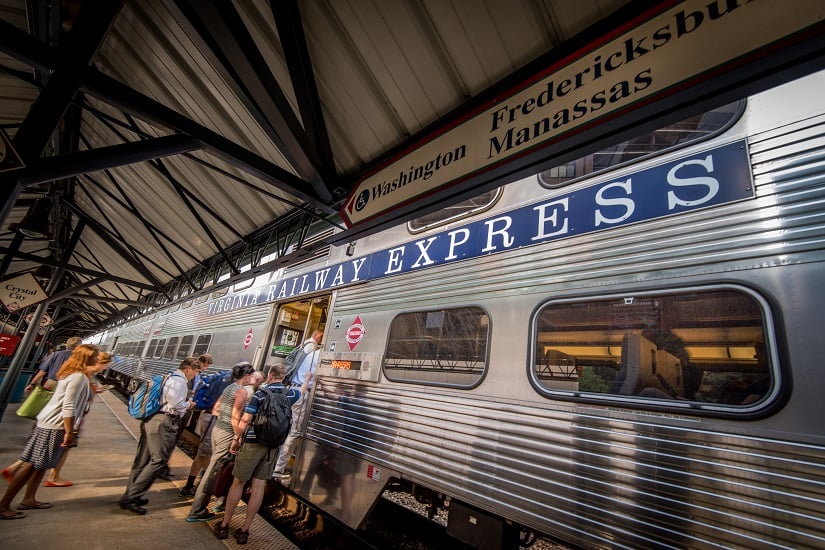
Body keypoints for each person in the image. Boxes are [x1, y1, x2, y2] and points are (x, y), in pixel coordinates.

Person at [0, 344, 101, 519]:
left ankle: (29, 499)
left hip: (51, 423)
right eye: (96, 356)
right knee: (32, 465)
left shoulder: (75, 374)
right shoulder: (77, 377)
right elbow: (68, 406)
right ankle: (3, 506)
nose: (98, 359)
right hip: (55, 425)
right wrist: (69, 431)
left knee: (41, 465)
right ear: (87, 358)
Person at [215, 364, 304, 543]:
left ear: (270, 376)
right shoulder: (290, 394)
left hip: (253, 443)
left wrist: (236, 438)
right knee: (258, 487)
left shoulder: (260, 394)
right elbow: (301, 390)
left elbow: (246, 419)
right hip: (273, 447)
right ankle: (244, 530)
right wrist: (307, 379)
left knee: (238, 482)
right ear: (283, 377)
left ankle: (224, 525)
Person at [118, 357, 198, 515]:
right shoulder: (179, 382)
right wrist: (189, 404)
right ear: (188, 368)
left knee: (142, 460)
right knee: (159, 460)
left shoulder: (169, 376)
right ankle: (131, 497)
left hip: (152, 420)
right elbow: (176, 405)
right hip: (164, 422)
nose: (195, 375)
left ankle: (132, 494)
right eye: (195, 371)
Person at [185, 361, 258, 523]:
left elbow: (217, 409)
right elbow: (235, 417)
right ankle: (197, 510)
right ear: (246, 376)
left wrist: (224, 420)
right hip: (227, 434)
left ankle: (204, 505)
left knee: (213, 468)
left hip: (217, 429)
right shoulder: (241, 392)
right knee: (212, 473)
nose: (252, 377)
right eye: (251, 375)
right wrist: (236, 437)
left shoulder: (229, 388)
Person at [43, 351, 114, 487]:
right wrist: (70, 430)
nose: (105, 368)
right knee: (51, 451)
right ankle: (52, 477)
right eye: (104, 364)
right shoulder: (80, 377)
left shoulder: (75, 374)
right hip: (64, 420)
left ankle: (47, 475)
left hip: (62, 419)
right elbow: (70, 403)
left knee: (45, 451)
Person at [273, 329, 323, 478]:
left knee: (284, 427)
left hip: (292, 389)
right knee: (293, 432)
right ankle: (278, 469)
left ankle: (273, 461)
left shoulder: (309, 352)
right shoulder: (320, 354)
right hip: (302, 393)